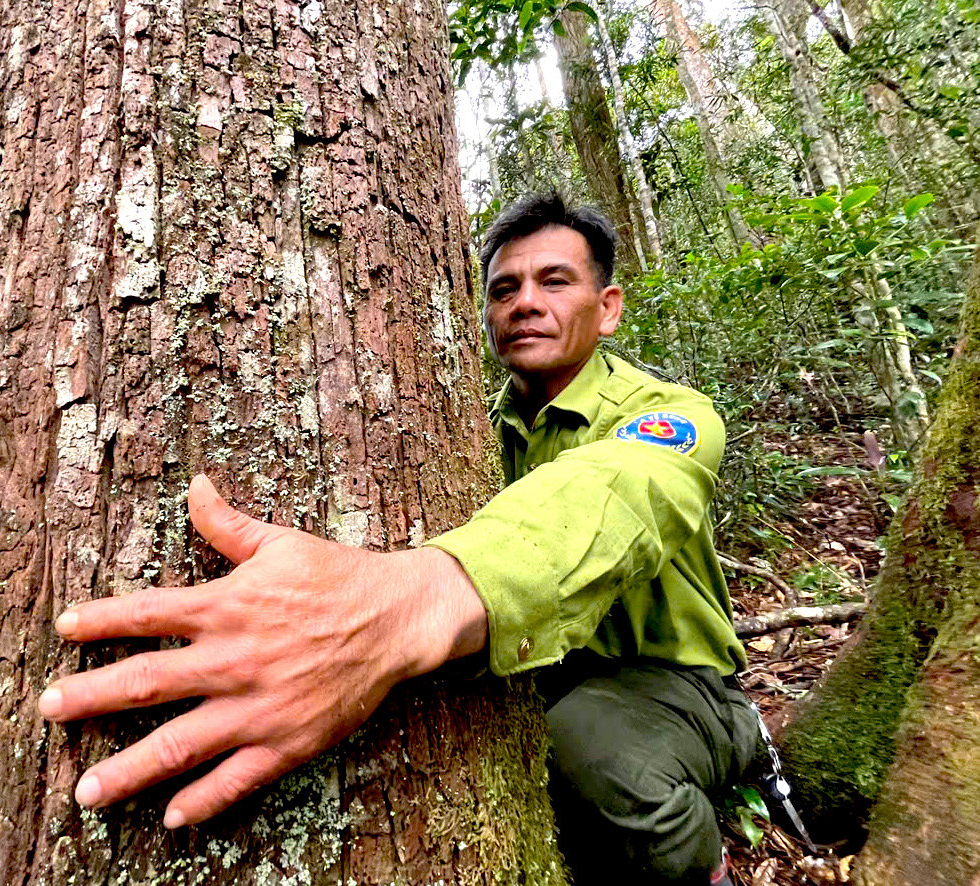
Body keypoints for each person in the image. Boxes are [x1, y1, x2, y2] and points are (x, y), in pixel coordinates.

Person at [37, 191, 757, 885]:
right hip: (540, 668)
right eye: (503, 289)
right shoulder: (465, 433)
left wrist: (397, 604)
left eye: (554, 281)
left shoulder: (667, 413)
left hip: (677, 683)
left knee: (593, 751)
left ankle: (706, 871)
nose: (525, 303)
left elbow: (617, 493)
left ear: (607, 310)